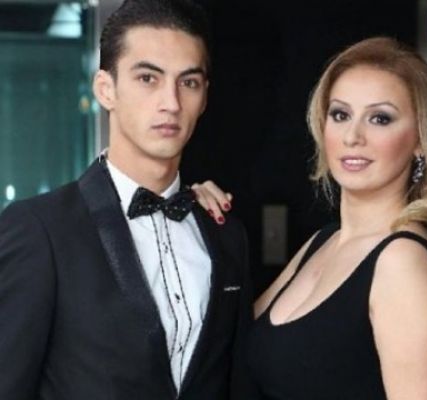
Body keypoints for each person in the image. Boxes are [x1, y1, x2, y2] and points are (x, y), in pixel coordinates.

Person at [0, 1, 252, 399]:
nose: (171, 102)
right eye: (148, 78)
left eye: (188, 82)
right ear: (106, 89)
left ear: (204, 97)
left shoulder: (226, 236)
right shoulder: (39, 230)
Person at [195, 36, 427, 399]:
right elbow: (228, 339)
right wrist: (194, 222)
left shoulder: (401, 262)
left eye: (380, 118)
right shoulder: (325, 241)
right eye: (340, 114)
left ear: (420, 140)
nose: (353, 136)